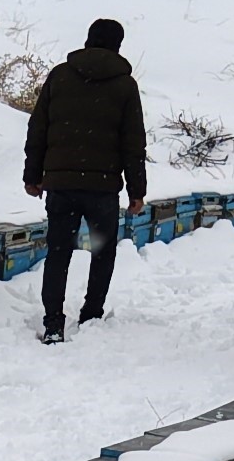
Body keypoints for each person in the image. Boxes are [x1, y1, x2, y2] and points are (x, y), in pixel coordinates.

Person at [21, 17, 148, 343]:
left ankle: (53, 323)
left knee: (59, 252)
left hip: (61, 185)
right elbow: (133, 143)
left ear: (88, 39)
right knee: (101, 250)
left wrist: (33, 176)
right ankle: (91, 312)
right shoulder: (124, 85)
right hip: (102, 188)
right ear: (118, 46)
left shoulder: (61, 76)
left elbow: (38, 128)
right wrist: (137, 191)